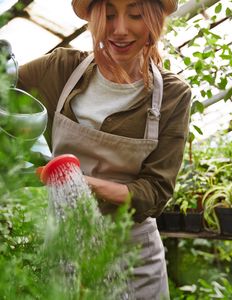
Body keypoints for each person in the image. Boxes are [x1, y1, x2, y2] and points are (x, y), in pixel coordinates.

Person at [17, 0, 191, 299]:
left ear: (153, 20)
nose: (120, 29)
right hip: (64, 247)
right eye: (109, 15)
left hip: (133, 255)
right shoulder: (61, 69)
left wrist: (79, 182)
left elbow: (155, 193)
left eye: (135, 15)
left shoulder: (172, 96)